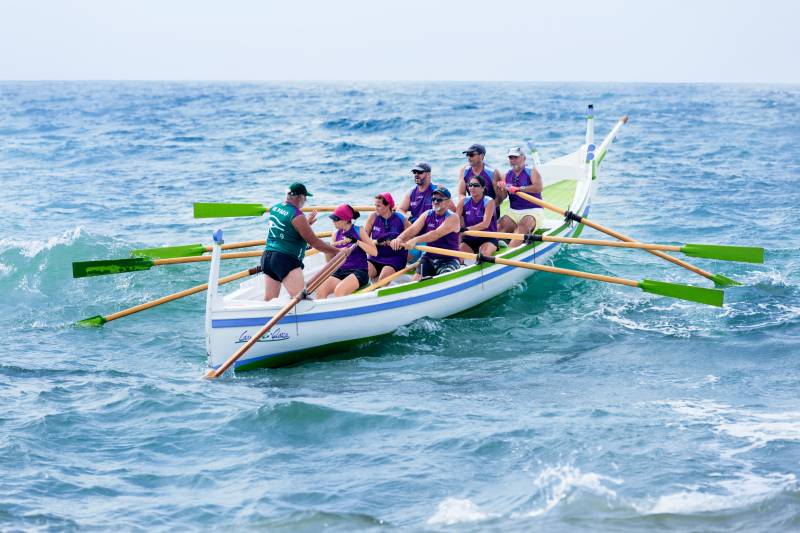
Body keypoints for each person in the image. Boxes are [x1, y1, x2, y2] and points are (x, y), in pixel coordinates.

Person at [261, 182, 344, 301]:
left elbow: (286, 229)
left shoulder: (275, 208)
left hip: (268, 258)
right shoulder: (297, 215)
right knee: (302, 302)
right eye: (305, 199)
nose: (305, 202)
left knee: (268, 301)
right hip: (285, 260)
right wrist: (338, 251)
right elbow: (314, 242)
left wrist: (306, 224)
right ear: (300, 197)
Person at [391, 187, 461, 279]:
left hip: (449, 259)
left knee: (444, 279)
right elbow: (413, 229)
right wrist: (399, 238)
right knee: (416, 279)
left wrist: (415, 240)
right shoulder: (427, 214)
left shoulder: (453, 218)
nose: (435, 201)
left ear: (448, 202)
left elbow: (436, 234)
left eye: (439, 199)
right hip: (429, 257)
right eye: (433, 199)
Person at [316, 204, 378, 298]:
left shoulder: (359, 230)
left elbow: (374, 252)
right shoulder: (335, 234)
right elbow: (331, 262)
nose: (333, 222)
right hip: (341, 271)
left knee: (339, 291)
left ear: (345, 220)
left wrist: (357, 242)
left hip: (359, 272)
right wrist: (327, 250)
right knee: (321, 289)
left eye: (336, 219)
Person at [497, 146, 544, 247]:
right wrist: (500, 189)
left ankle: (510, 252)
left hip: (533, 211)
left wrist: (519, 189)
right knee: (500, 226)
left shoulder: (531, 171)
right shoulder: (507, 175)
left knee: (522, 227)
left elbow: (538, 187)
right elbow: (503, 197)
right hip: (513, 212)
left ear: (524, 158)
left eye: (516, 157)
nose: (513, 160)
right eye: (511, 158)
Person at [365, 192, 410, 282]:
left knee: (383, 279)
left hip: (395, 258)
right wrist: (376, 242)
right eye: (375, 205)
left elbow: (412, 234)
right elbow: (364, 239)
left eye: (379, 206)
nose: (375, 208)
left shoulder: (401, 219)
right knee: (362, 273)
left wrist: (402, 243)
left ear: (388, 205)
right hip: (375, 257)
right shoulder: (373, 217)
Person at [457, 175, 498, 257]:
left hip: (487, 238)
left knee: (483, 255)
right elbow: (454, 219)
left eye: (476, 185)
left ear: (483, 188)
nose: (472, 188)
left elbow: (485, 224)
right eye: (470, 185)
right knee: (459, 256)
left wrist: (466, 229)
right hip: (469, 239)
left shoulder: (489, 202)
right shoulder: (463, 202)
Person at [456, 143, 503, 209]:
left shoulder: (493, 173)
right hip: (473, 208)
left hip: (490, 209)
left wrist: (486, 209)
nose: (469, 158)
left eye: (471, 155)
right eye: (468, 155)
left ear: (481, 156)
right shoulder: (464, 171)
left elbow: (499, 198)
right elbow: (461, 194)